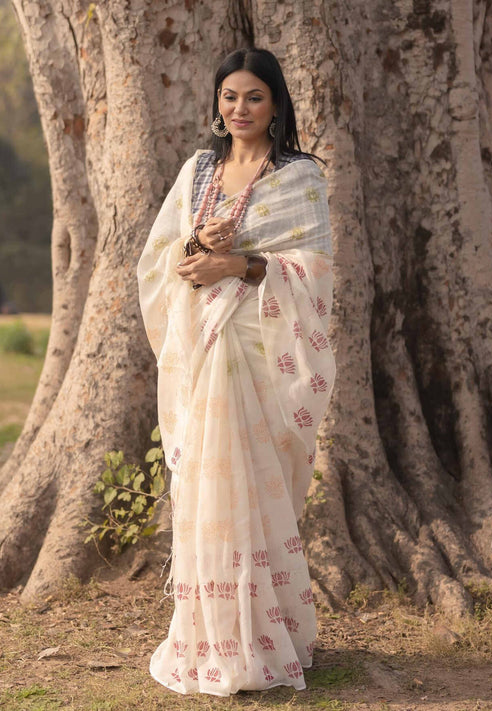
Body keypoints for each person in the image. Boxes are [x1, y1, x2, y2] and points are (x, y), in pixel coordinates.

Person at [137, 46, 336, 697]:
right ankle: (210, 632)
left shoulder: (297, 176)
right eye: (229, 97)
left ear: (275, 102)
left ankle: (265, 632)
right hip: (201, 350)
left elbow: (312, 270)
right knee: (204, 488)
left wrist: (240, 265)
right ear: (217, 105)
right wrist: (198, 253)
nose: (240, 108)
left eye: (253, 96)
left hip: (259, 352)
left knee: (254, 489)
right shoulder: (199, 169)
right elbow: (163, 254)